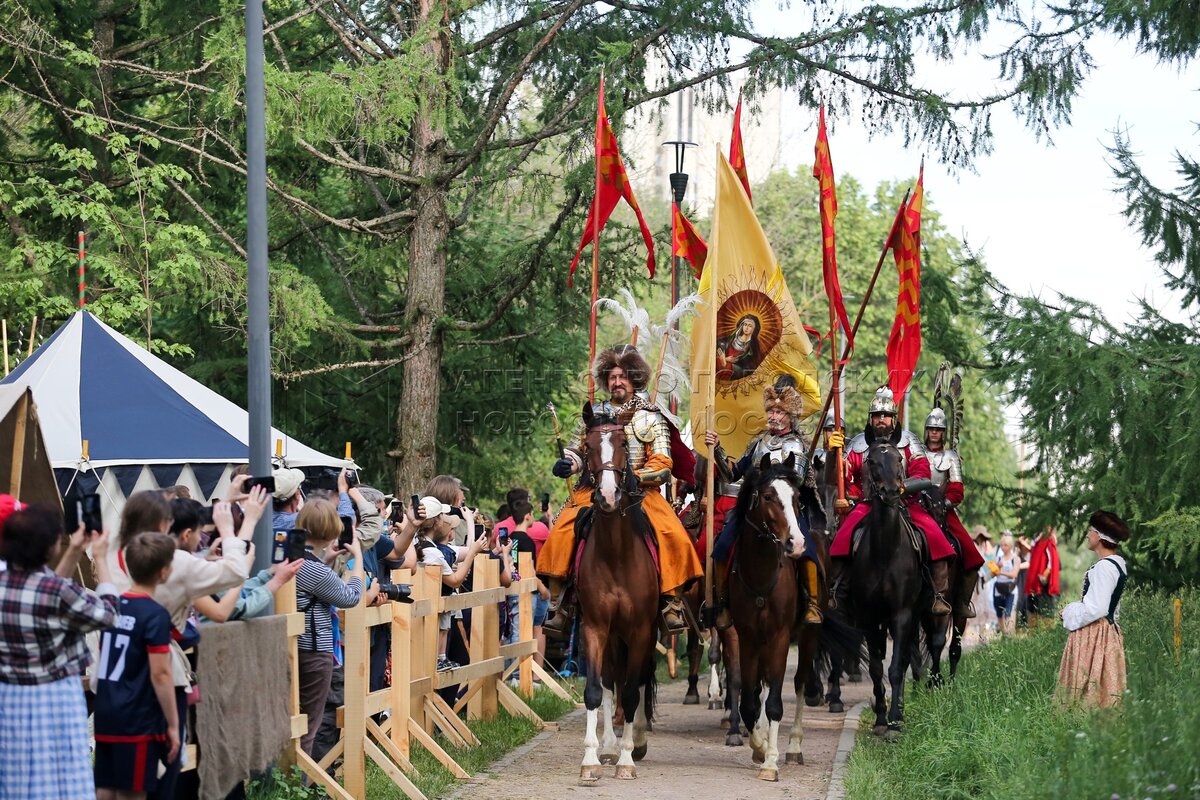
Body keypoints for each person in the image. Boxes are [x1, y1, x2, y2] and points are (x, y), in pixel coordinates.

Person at [540, 344, 703, 636]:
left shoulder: (651, 417)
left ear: (635, 379)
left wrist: (635, 477)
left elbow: (663, 463)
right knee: (562, 529)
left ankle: (671, 601)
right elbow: (578, 451)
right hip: (594, 488)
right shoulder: (595, 413)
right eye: (612, 377)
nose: (617, 382)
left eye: (623, 376)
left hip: (642, 491)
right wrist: (568, 463)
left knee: (673, 534)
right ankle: (559, 601)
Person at [0, 502, 119, 800]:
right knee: (60, 775)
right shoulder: (59, 593)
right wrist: (100, 558)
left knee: (16, 776)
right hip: (54, 696)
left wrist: (74, 550)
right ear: (50, 546)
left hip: (9, 695)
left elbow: (46, 589)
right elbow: (108, 615)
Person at [827, 387, 957, 616]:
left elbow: (923, 473)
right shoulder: (858, 444)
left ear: (893, 418)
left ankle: (937, 593)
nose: (881, 420)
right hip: (867, 505)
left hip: (905, 503)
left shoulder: (909, 442)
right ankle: (837, 590)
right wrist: (832, 456)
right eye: (877, 415)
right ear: (871, 418)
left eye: (886, 415)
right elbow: (841, 477)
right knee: (843, 536)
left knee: (935, 535)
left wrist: (901, 488)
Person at [704, 376, 823, 627]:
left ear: (790, 416)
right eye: (771, 411)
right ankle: (723, 603)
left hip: (786, 509)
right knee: (722, 545)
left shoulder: (797, 445)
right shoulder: (759, 442)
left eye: (779, 412)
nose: (773, 416)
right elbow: (733, 474)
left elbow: (798, 480)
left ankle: (812, 603)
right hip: (755, 509)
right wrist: (717, 450)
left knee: (808, 549)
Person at [94, 532, 181, 800]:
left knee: (105, 787)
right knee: (132, 792)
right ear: (164, 572)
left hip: (106, 711)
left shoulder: (112, 605)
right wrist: (173, 724)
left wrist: (100, 556)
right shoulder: (155, 614)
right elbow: (161, 673)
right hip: (137, 719)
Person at [293, 497, 372, 756]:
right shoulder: (315, 571)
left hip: (294, 647)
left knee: (293, 721)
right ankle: (302, 778)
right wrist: (358, 559)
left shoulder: (292, 558)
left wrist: (325, 560)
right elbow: (350, 597)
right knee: (309, 725)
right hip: (314, 651)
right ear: (330, 532)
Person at [1057, 511, 1131, 709]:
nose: (1088, 535)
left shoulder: (1104, 568)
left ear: (1099, 536)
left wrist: (1068, 612)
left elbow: (1096, 609)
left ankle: (1082, 720)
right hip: (1107, 631)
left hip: (1095, 634)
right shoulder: (1116, 564)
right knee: (1102, 686)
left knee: (1086, 686)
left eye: (1091, 530)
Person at [413, 497, 491, 671]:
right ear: (436, 522)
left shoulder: (423, 544)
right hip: (428, 611)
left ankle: (440, 659)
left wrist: (470, 525)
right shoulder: (432, 553)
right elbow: (455, 581)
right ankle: (438, 660)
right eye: (442, 515)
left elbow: (466, 551)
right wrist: (472, 553)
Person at [924, 407, 985, 616]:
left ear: (943, 432)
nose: (934, 432)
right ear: (926, 430)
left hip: (944, 511)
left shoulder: (951, 457)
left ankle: (961, 602)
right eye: (931, 428)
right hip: (918, 508)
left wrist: (944, 503)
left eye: (938, 429)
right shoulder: (916, 454)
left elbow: (957, 489)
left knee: (972, 554)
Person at [1025, 525, 1061, 628]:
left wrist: (1044, 575)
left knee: (1046, 616)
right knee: (1032, 614)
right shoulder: (1037, 540)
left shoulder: (1049, 540)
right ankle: (1033, 637)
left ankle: (1047, 636)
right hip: (1033, 583)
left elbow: (1052, 561)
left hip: (1043, 586)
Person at [991, 533, 1021, 634]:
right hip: (998, 588)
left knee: (1008, 612)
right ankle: (1004, 633)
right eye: (1002, 545)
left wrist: (1001, 572)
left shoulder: (1015, 559)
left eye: (1006, 545)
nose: (1003, 547)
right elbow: (992, 574)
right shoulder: (998, 558)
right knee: (999, 613)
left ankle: (1008, 633)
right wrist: (998, 567)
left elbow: (1014, 574)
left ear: (1010, 546)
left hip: (1010, 588)